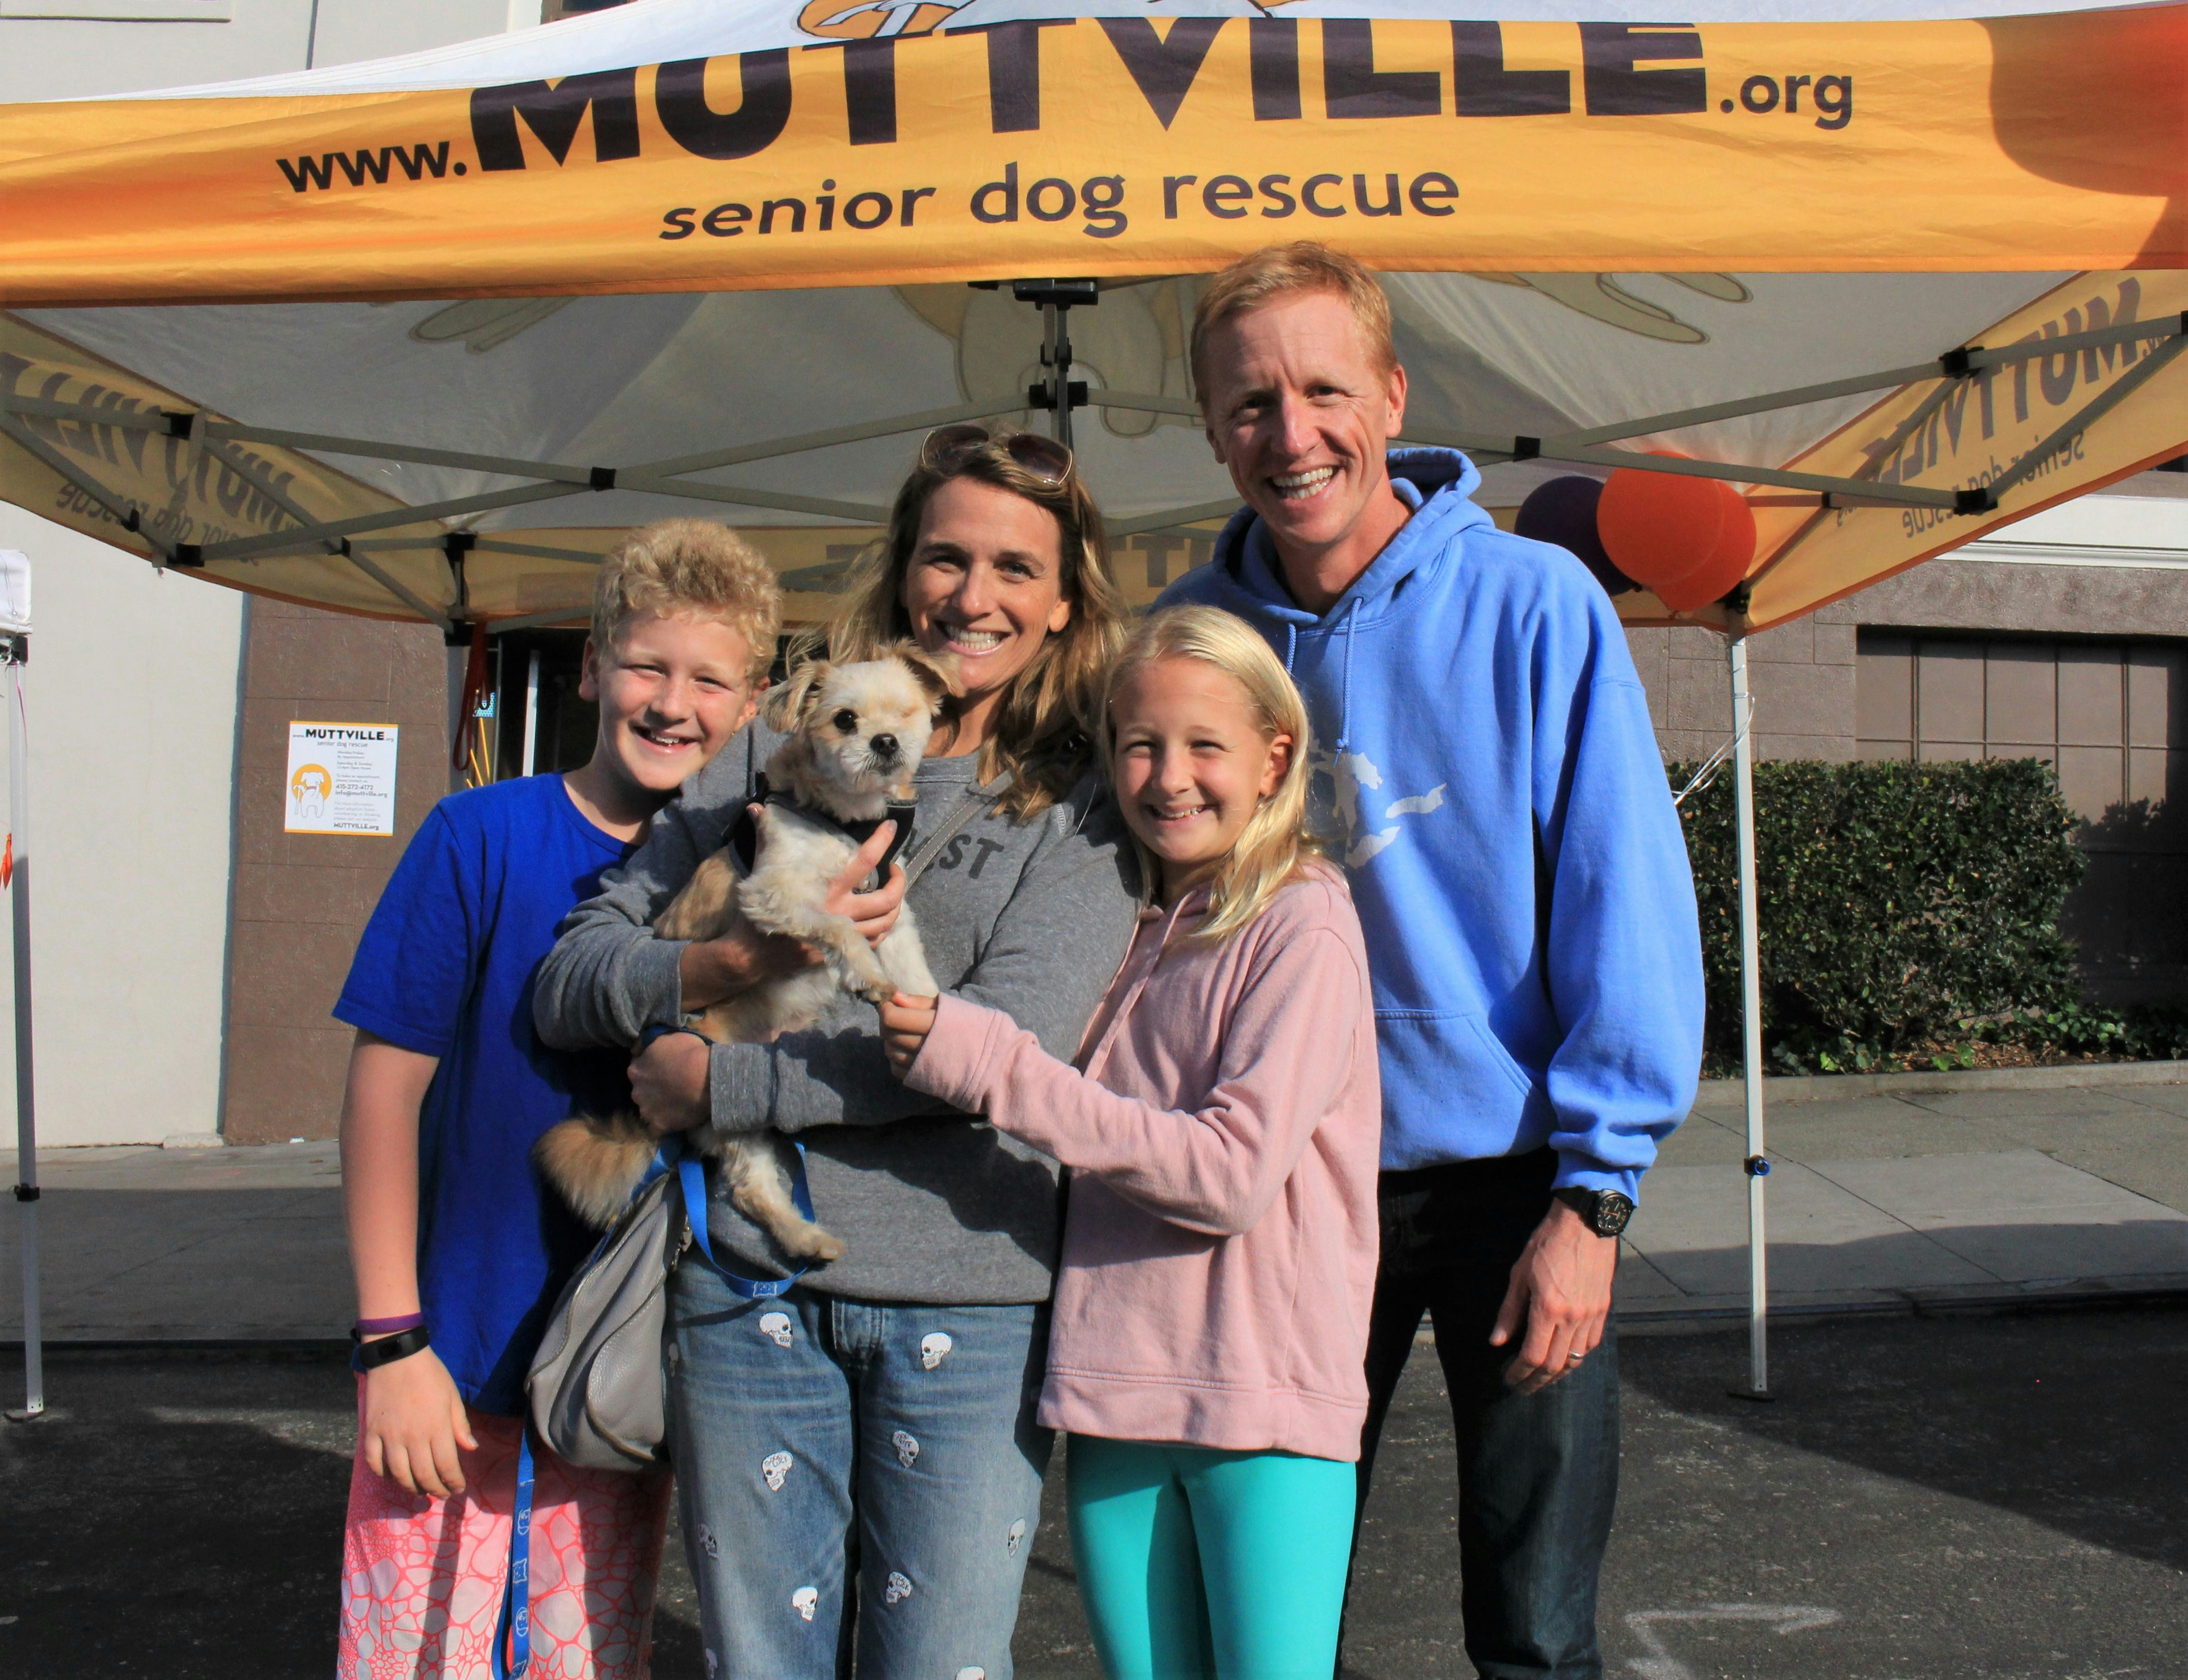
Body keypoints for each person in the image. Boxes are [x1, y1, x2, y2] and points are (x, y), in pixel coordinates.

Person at [1158, 243, 1706, 1678]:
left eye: (1322, 389)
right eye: (1249, 404)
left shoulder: (1537, 606)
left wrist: (1593, 1200)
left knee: (1531, 1627)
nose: (1291, 434)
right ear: (1212, 428)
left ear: (1391, 395)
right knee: (1268, 1622)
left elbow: (1622, 905)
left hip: (1512, 1184)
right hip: (1276, 1186)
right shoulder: (1182, 644)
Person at [531, 425, 1141, 1680]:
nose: (974, 597)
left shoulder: (1080, 804)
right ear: (903, 569)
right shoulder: (770, 755)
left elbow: (1005, 1049)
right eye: (945, 558)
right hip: (749, 1286)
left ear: (1064, 601)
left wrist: (724, 1080)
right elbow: (571, 977)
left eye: (1016, 569)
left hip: (968, 1306)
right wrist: (707, 973)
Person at [877, 605, 1381, 1680]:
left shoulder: (1304, 920)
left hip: (1265, 1404)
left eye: (1205, 745)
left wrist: (993, 1066)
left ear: (1273, 755)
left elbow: (1229, 1174)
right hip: (1115, 1389)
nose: (1168, 777)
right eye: (1139, 744)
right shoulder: (1131, 914)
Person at [334, 519, 783, 1679]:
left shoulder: (758, 874)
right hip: (454, 1356)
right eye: (646, 665)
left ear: (757, 702)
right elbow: (382, 1093)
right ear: (589, 666)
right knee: (410, 1657)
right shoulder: (478, 834)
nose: (673, 702)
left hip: (627, 1374)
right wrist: (390, 1340)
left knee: (587, 1659)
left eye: (710, 678)